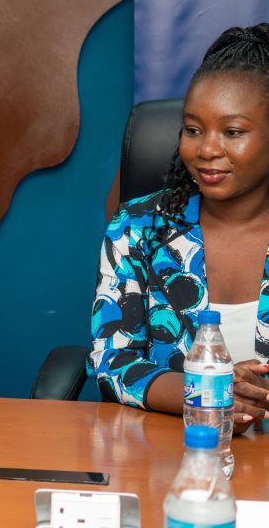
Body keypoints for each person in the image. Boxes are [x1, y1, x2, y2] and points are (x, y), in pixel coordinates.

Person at [89, 23, 269, 432]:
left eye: (233, 132)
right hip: (171, 459)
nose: (206, 149)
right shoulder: (138, 228)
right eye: (192, 129)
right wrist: (208, 392)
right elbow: (110, 359)